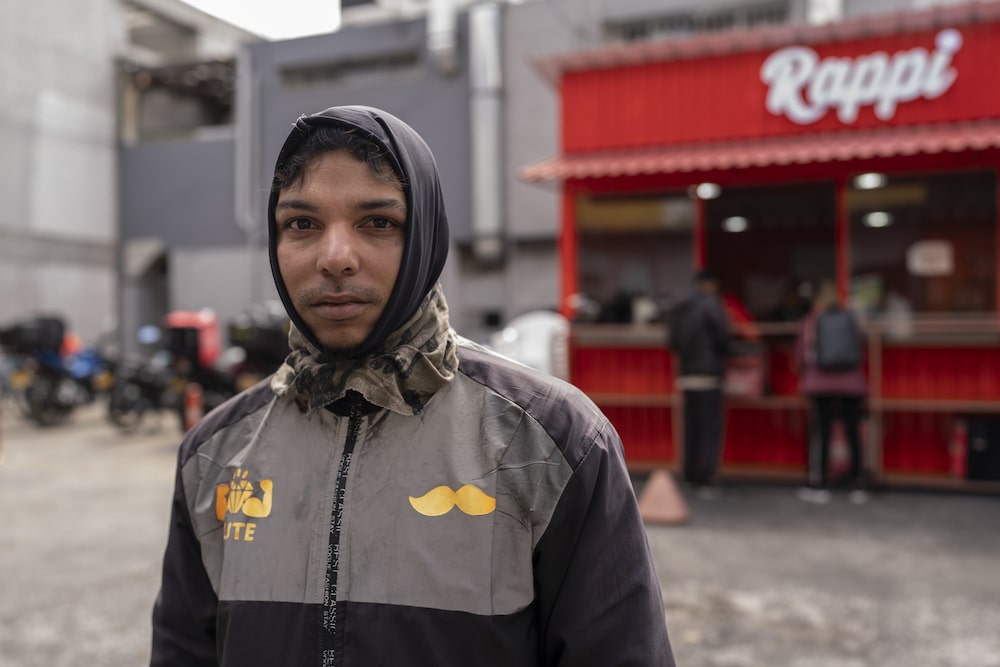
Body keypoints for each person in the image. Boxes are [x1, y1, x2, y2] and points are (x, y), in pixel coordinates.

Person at [150, 105, 674, 666]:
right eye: (302, 224)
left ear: (425, 236)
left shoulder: (554, 440)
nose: (336, 258)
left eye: (378, 222)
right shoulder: (216, 453)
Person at [794, 280, 869, 505]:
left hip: (819, 383)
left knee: (822, 433)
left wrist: (801, 374)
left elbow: (803, 354)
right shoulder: (849, 317)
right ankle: (857, 484)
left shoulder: (811, 320)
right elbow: (859, 348)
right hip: (852, 383)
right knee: (853, 431)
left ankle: (820, 485)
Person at [669, 269, 731, 497]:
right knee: (710, 428)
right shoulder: (711, 303)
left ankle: (690, 474)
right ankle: (707, 476)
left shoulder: (679, 306)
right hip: (709, 373)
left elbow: (673, 342)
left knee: (691, 427)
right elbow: (723, 337)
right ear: (711, 283)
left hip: (687, 374)